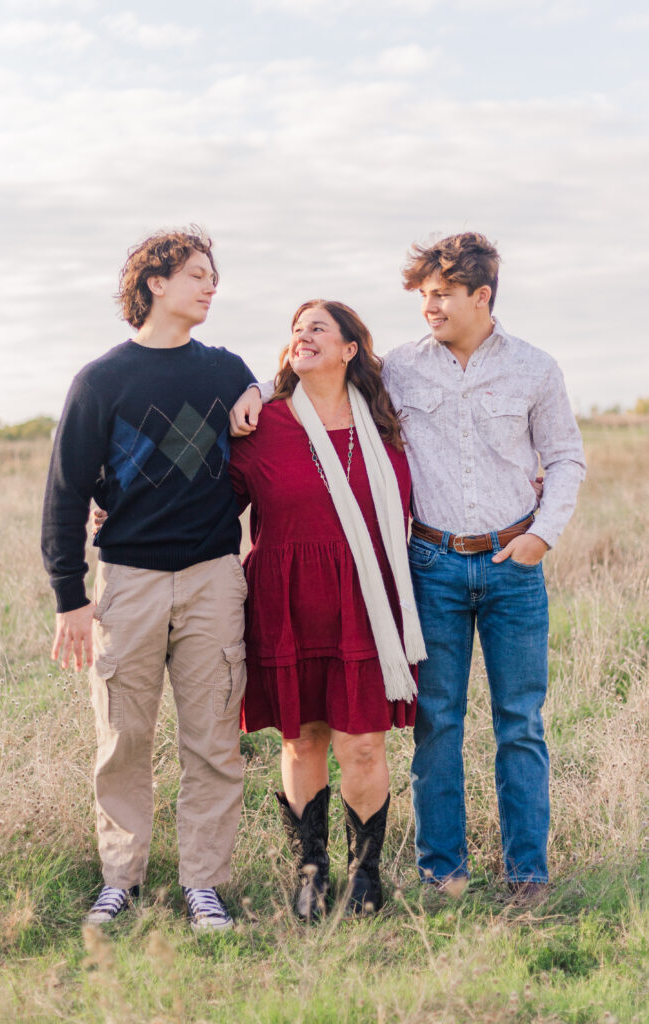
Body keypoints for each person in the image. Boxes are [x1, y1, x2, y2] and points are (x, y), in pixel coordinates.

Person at [230, 232, 585, 902]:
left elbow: (564, 456)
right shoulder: (400, 371)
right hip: (430, 564)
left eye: (442, 294)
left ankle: (526, 876)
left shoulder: (535, 369)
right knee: (436, 725)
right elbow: (316, 376)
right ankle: (440, 873)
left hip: (514, 564)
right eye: (423, 295)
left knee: (520, 723)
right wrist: (250, 384)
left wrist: (543, 535)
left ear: (480, 296)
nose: (430, 306)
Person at [41, 226, 256, 930]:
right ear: (156, 283)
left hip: (212, 578)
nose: (210, 285)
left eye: (212, 275)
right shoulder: (102, 380)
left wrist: (255, 386)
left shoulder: (226, 371)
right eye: (197, 273)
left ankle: (204, 885)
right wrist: (70, 600)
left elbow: (263, 454)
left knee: (212, 741)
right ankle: (120, 880)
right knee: (122, 740)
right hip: (127, 582)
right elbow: (66, 493)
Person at [227, 300, 425, 919]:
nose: (302, 336)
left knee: (363, 745)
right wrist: (111, 510)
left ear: (349, 350)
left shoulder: (389, 423)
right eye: (295, 329)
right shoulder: (262, 425)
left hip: (365, 605)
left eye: (318, 328)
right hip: (285, 602)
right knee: (302, 740)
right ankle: (310, 871)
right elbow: (205, 500)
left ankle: (364, 874)